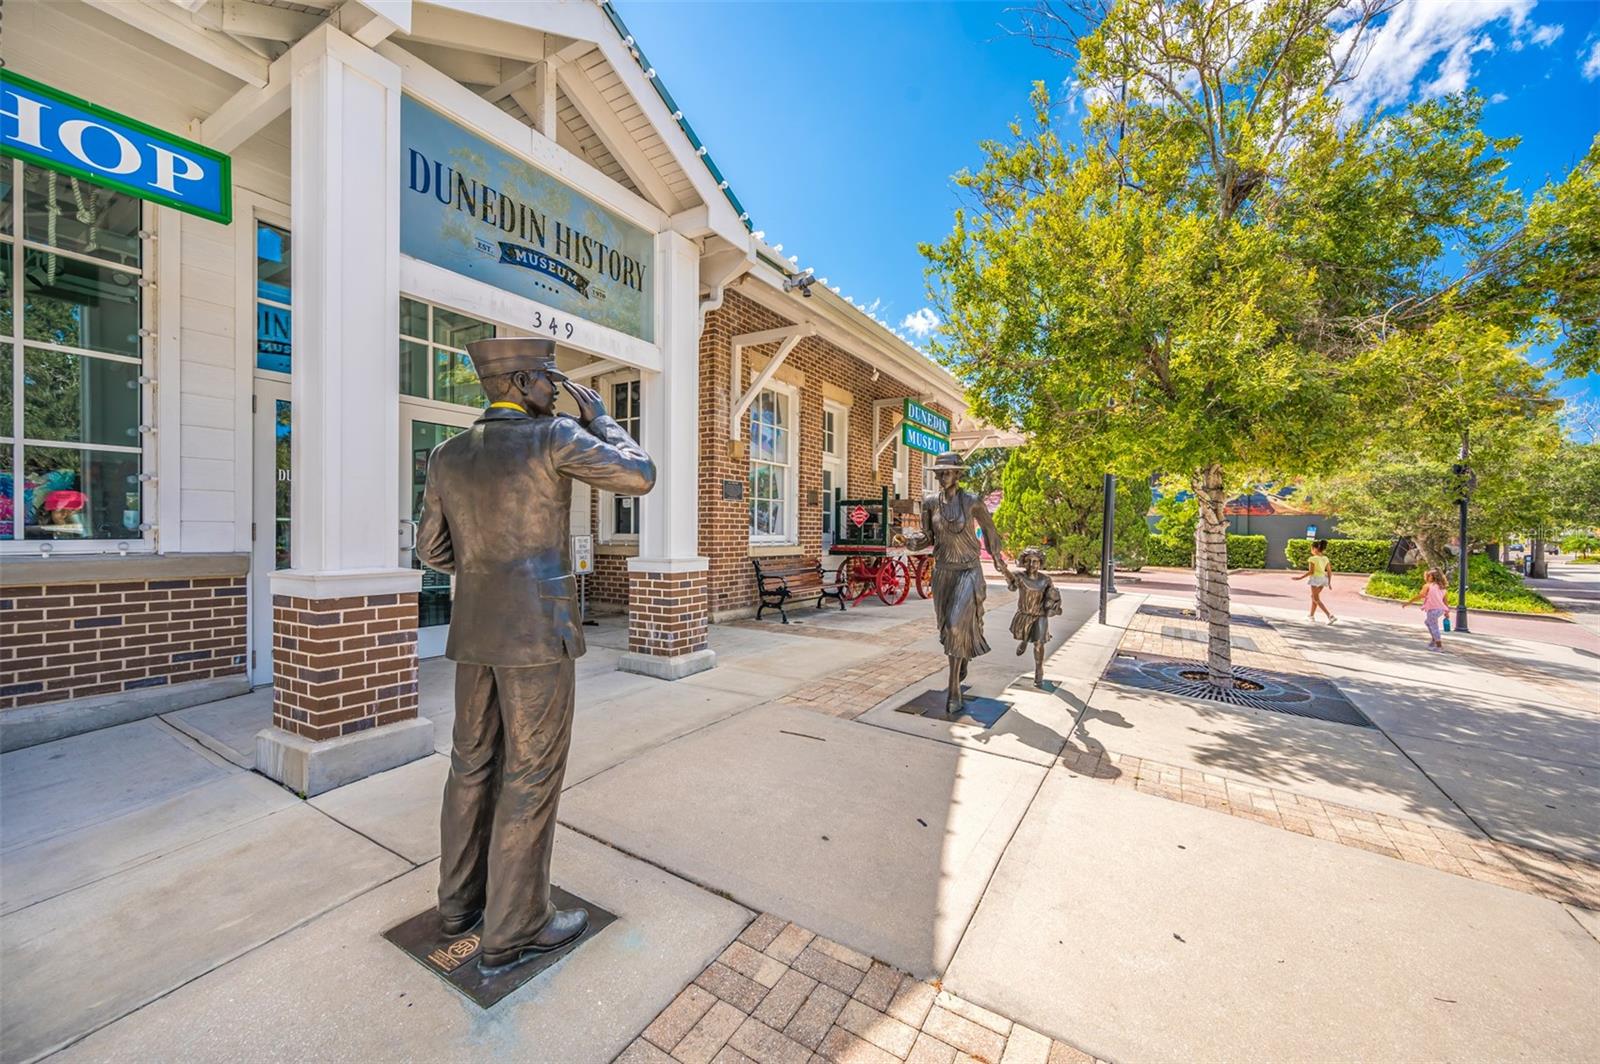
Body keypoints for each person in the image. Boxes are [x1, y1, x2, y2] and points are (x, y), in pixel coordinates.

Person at [417, 337, 654, 974]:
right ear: (522, 382)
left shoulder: (446, 454)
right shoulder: (555, 436)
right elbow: (640, 475)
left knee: (470, 765)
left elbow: (432, 551)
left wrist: (486, 569)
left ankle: (458, 905)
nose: (557, 388)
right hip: (537, 631)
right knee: (531, 772)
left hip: (475, 630)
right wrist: (601, 417)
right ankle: (517, 925)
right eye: (550, 377)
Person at [898, 451, 1011, 715]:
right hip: (943, 574)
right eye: (939, 473)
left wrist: (1001, 565)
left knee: (955, 625)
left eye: (947, 472)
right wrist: (911, 541)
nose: (942, 477)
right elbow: (927, 536)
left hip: (968, 571)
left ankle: (953, 690)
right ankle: (962, 659)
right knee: (947, 631)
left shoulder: (972, 501)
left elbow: (991, 533)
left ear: (958, 474)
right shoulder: (930, 503)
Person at [1007, 547, 1062, 688]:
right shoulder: (1019, 576)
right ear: (1023, 562)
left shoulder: (1046, 580)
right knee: (1026, 634)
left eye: (1035, 561)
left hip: (1040, 615)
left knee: (1039, 643)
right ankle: (1025, 641)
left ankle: (1039, 670)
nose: (1032, 564)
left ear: (1040, 563)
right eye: (1028, 561)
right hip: (1025, 615)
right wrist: (1005, 572)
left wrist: (1053, 606)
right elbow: (1012, 586)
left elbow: (1053, 596)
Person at [1404, 568, 1450, 651]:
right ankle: (1434, 640)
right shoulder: (1442, 587)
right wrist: (1447, 612)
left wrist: (1409, 602)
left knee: (1433, 626)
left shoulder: (1427, 586)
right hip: (1440, 610)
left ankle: (1439, 646)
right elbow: (1445, 601)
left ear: (1433, 577)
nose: (1427, 577)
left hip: (1433, 610)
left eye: (1429, 576)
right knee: (1428, 622)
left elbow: (1420, 595)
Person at [1292, 538, 1336, 623]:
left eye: (1311, 548)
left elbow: (1311, 572)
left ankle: (1330, 616)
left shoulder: (1312, 559)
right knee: (1314, 597)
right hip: (1323, 580)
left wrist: (1300, 578)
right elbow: (1329, 571)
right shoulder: (1325, 558)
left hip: (1315, 580)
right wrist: (1329, 582)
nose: (1311, 550)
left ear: (1315, 548)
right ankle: (1311, 616)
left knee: (1316, 598)